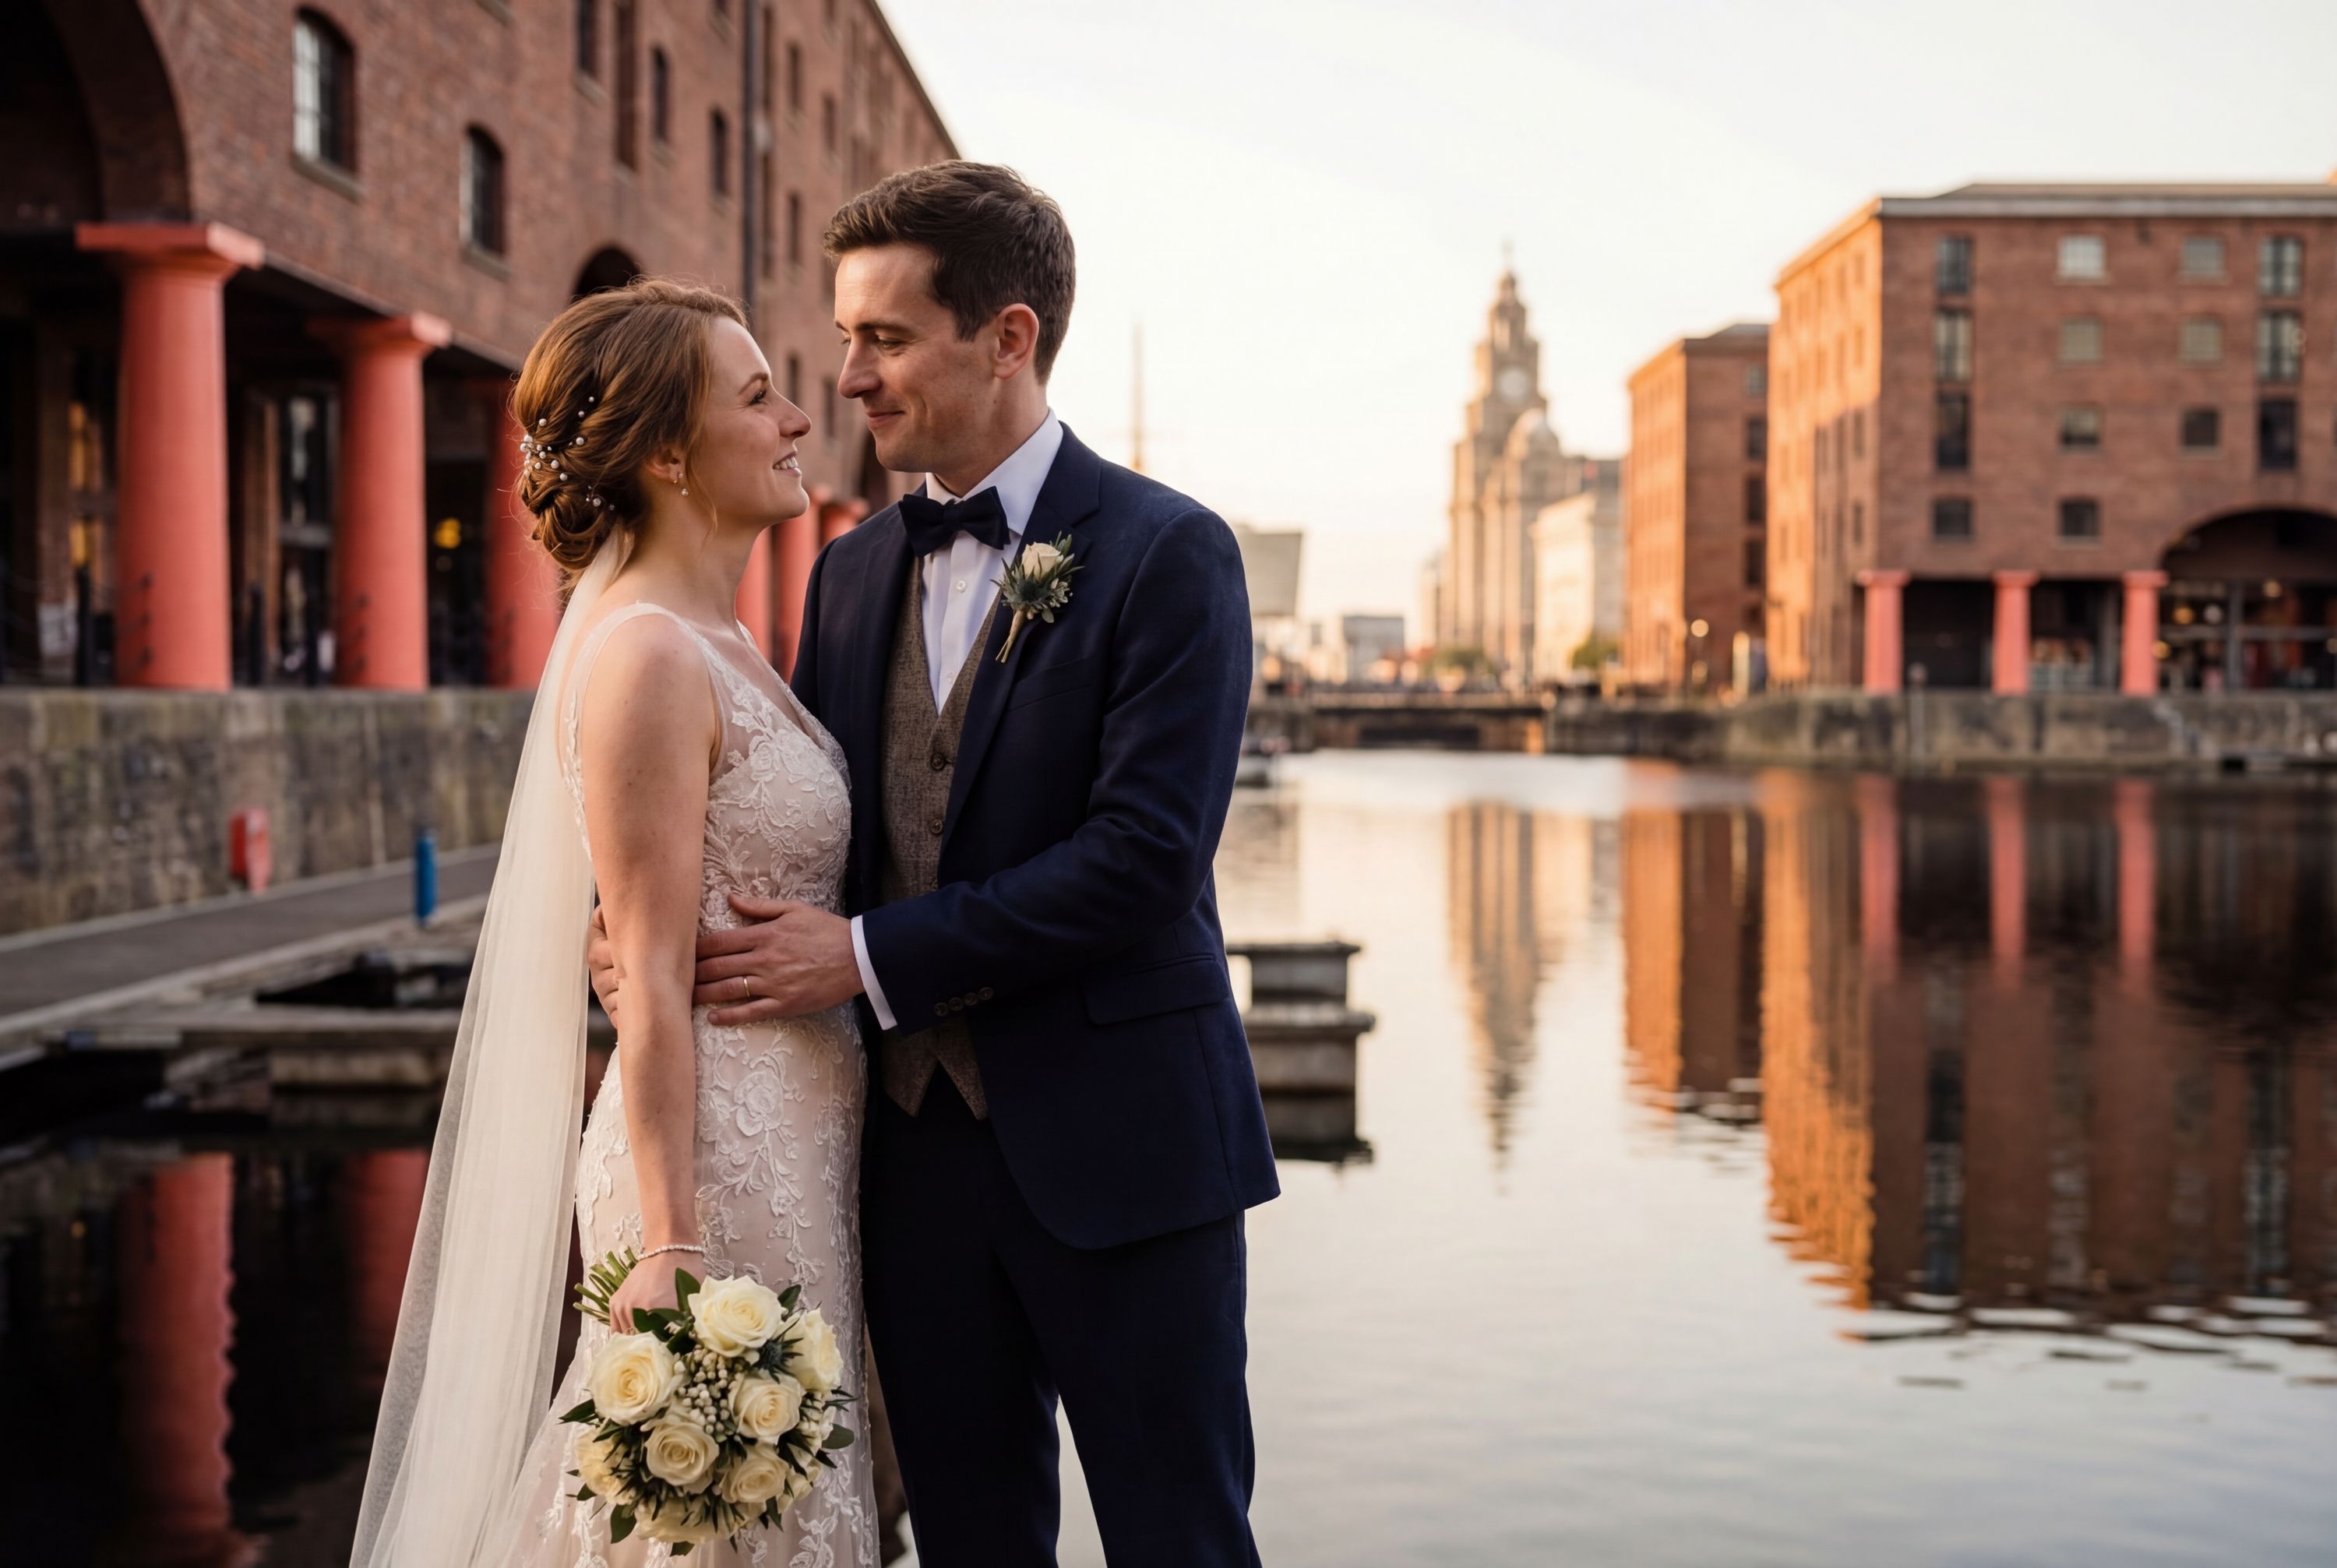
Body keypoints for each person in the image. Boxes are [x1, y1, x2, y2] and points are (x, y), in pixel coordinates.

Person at [590, 162, 1278, 1566]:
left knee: (1181, 1538)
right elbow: (812, 819)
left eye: (885, 338)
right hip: (905, 1167)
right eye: (844, 338)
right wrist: (643, 942)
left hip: (1128, 1152)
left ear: (1008, 338)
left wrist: (857, 957)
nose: (847, 377)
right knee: (970, 1541)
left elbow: (1143, 861)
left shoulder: (1170, 553)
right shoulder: (848, 575)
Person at [350, 278, 880, 1564]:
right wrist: (672, 1234)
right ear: (664, 452)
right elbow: (645, 972)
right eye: (758, 397)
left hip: (797, 1131)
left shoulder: (728, 638)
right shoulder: (649, 654)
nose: (802, 418)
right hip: (707, 1164)